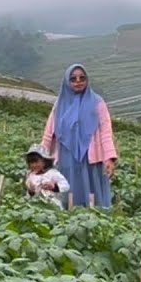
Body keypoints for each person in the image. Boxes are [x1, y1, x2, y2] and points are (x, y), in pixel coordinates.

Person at [40, 63, 118, 208]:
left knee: (93, 197)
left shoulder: (97, 103)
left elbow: (106, 132)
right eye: (73, 79)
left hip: (90, 160)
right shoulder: (59, 105)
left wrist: (109, 158)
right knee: (67, 192)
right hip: (66, 158)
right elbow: (49, 133)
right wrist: (41, 158)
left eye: (82, 78)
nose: (78, 82)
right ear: (67, 81)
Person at [24, 144, 70, 208]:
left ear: (44, 161)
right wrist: (31, 191)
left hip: (53, 206)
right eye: (31, 163)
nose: (34, 165)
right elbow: (29, 195)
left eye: (36, 162)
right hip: (36, 206)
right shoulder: (30, 175)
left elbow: (66, 186)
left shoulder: (52, 173)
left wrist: (54, 186)